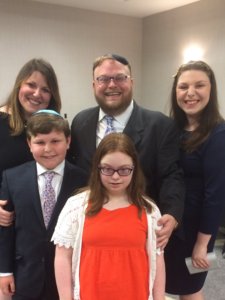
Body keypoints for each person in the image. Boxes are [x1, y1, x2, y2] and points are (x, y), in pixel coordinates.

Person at [68, 53, 185, 248]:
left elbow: (171, 175)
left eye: (120, 78)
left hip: (137, 231)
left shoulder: (160, 125)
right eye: (103, 79)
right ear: (93, 85)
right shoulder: (81, 122)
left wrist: (172, 213)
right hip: (88, 230)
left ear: (131, 82)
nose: (112, 84)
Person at [52, 132, 165, 300]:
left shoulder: (149, 210)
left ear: (135, 169)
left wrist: (159, 298)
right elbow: (62, 257)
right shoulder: (76, 207)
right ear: (97, 167)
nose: (116, 176)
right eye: (107, 169)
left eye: (124, 170)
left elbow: (158, 260)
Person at [0, 110, 87, 300]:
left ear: (68, 141)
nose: (48, 149)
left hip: (69, 280)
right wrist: (4, 271)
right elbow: (5, 229)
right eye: (40, 142)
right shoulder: (12, 178)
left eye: (55, 141)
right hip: (24, 277)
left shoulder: (84, 181)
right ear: (29, 144)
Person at [164, 60, 225, 300]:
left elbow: (215, 196)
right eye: (183, 87)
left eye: (199, 85)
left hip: (198, 232)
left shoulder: (219, 134)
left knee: (191, 290)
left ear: (211, 89)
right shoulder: (173, 128)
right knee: (169, 285)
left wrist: (202, 244)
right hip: (171, 227)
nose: (190, 93)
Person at [0, 58, 62, 228]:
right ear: (19, 85)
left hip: (42, 224)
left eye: (45, 89)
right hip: (6, 222)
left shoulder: (56, 128)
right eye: (31, 85)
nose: (36, 94)